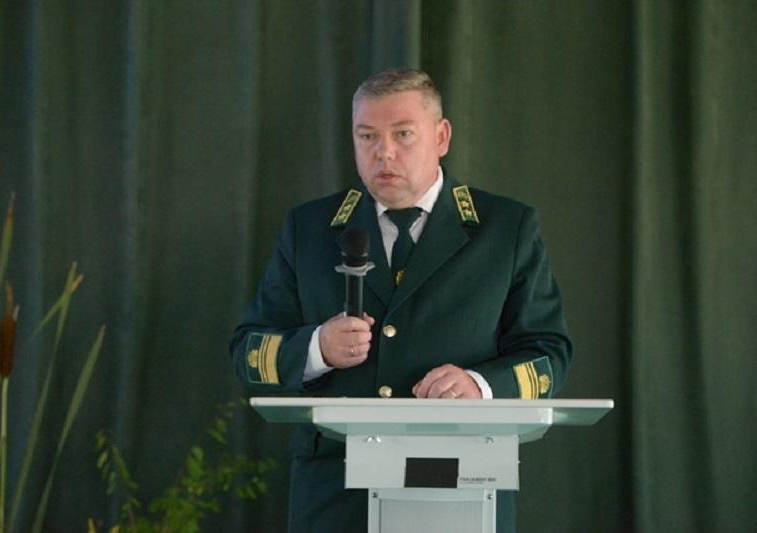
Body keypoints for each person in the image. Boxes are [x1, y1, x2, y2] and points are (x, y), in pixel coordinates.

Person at [230, 68, 572, 533]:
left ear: (441, 136)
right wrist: (316, 349)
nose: (383, 152)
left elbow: (549, 354)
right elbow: (249, 350)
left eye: (403, 134)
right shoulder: (309, 228)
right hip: (335, 491)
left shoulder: (505, 228)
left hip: (461, 481)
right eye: (367, 136)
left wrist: (480, 385)